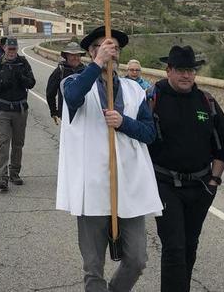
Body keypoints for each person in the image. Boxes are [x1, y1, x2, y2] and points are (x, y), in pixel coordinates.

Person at [57, 26, 161, 292]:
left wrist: (123, 122)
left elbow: (150, 134)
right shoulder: (73, 82)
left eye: (112, 48)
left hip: (129, 186)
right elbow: (72, 98)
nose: (108, 52)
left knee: (137, 259)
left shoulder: (135, 91)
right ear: (91, 53)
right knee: (93, 268)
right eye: (100, 48)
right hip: (91, 187)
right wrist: (97, 63)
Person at [146, 45, 224, 292]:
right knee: (173, 246)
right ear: (168, 70)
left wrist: (214, 180)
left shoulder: (207, 102)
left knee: (190, 244)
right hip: (164, 184)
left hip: (201, 186)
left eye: (190, 71)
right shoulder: (153, 98)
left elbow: (223, 145)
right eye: (180, 70)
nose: (186, 76)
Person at [0, 37, 36, 192]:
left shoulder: (23, 63)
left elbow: (32, 83)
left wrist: (21, 78)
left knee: (18, 143)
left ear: (17, 49)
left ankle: (14, 173)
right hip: (3, 109)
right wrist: (2, 84)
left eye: (14, 49)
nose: (11, 52)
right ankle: (2, 177)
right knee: (3, 142)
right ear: (4, 48)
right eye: (9, 49)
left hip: (20, 109)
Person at [46, 42, 87, 125]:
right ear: (66, 56)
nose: (75, 58)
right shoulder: (60, 71)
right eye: (72, 55)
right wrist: (54, 112)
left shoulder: (86, 71)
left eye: (78, 55)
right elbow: (50, 93)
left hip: (84, 113)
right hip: (66, 114)